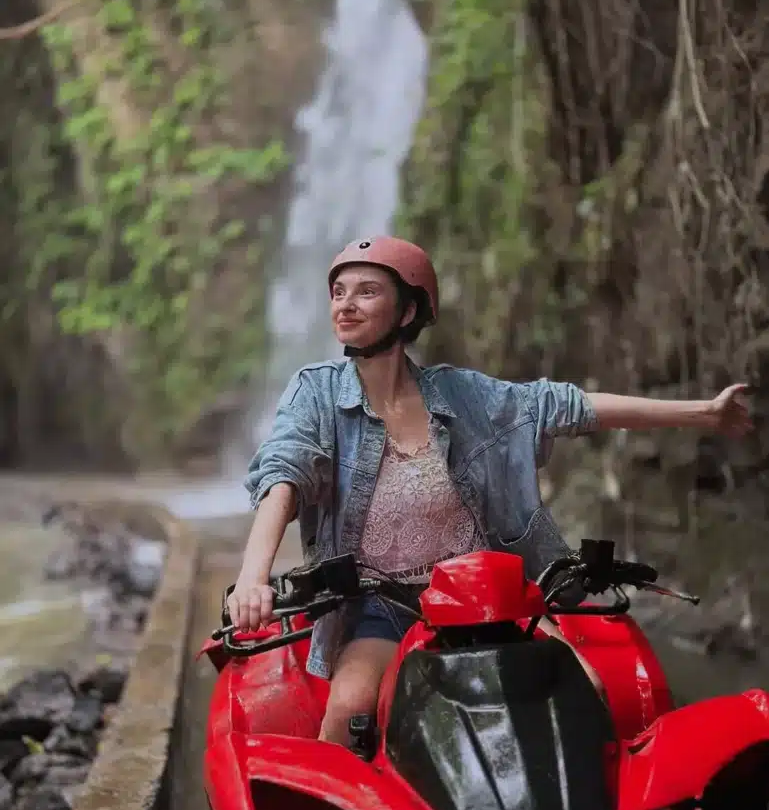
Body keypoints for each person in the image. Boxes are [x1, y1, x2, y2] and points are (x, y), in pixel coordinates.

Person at [228, 236, 753, 746]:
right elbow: (284, 474)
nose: (346, 305)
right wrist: (254, 579)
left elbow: (565, 407)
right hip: (379, 604)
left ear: (408, 312)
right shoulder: (315, 391)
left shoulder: (464, 395)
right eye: (339, 292)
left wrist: (702, 413)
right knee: (349, 707)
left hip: (484, 596)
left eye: (367, 291)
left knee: (588, 691)